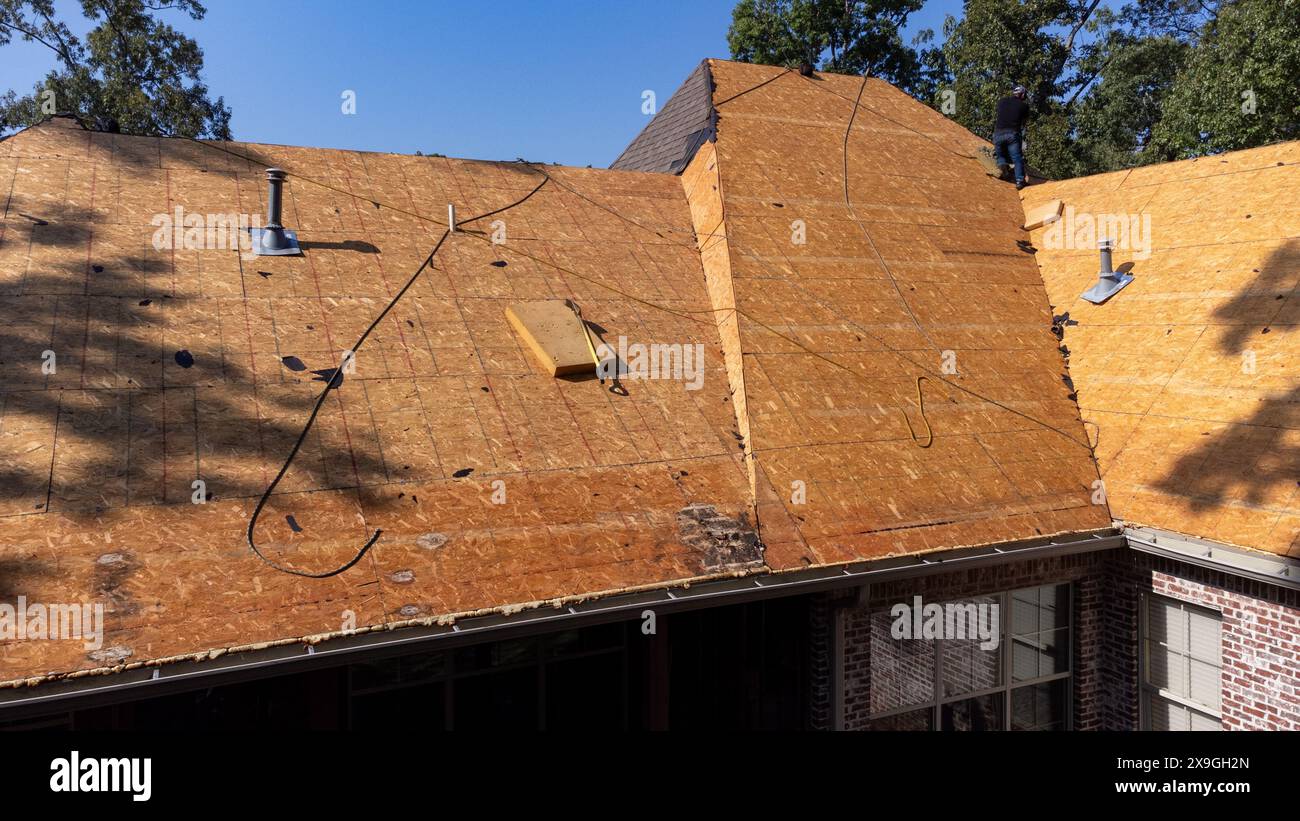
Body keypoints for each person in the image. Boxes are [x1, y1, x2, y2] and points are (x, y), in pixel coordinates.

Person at [993, 85, 1030, 190]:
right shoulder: (1024, 106)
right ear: (1022, 94)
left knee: (1000, 157)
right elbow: (1024, 123)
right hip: (1012, 135)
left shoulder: (1002, 101)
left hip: (998, 135)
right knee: (1017, 158)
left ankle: (1004, 170)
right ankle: (1019, 181)